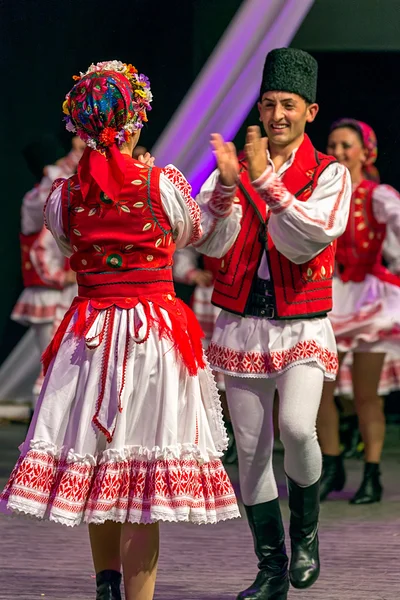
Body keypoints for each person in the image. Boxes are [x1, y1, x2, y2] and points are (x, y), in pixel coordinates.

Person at [0, 60, 240, 600]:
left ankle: (107, 583)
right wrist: (224, 188)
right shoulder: (162, 184)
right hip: (150, 335)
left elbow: (66, 248)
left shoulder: (62, 195)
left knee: (100, 464)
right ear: (134, 122)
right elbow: (208, 237)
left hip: (90, 333)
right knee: (140, 477)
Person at [194, 47, 351, 600]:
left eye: (288, 104)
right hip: (242, 321)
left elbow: (305, 237)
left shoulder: (330, 174)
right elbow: (212, 242)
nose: (276, 114)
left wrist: (263, 180)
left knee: (297, 429)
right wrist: (228, 187)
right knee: (252, 448)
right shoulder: (242, 164)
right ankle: (271, 568)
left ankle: (306, 534)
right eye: (268, 103)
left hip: (301, 324)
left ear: (310, 111)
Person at [317, 119, 400, 504]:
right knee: (320, 391)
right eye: (332, 144)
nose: (338, 152)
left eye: (346, 145)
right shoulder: (321, 193)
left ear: (366, 152)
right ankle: (330, 465)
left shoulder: (376, 194)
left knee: (367, 396)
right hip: (330, 296)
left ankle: (371, 473)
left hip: (367, 297)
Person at [11, 136, 84, 411]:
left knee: (66, 364)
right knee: (52, 364)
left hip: (65, 291)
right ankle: (39, 436)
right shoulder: (36, 198)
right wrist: (59, 276)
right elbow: (39, 243)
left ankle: (55, 432)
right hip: (46, 291)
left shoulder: (57, 191)